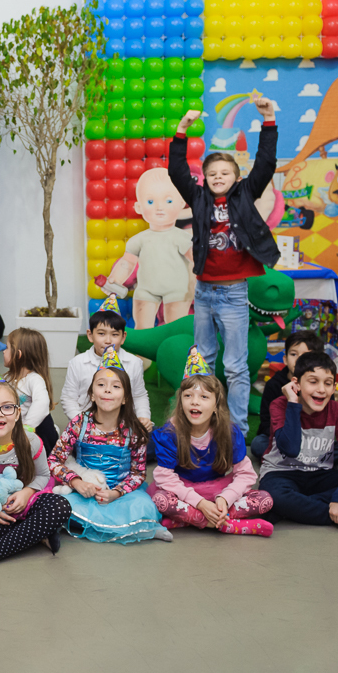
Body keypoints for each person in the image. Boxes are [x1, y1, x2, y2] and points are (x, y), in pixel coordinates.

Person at [169, 97, 280, 433]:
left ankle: (238, 431)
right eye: (212, 173)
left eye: (225, 173)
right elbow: (176, 171)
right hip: (204, 292)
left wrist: (269, 120)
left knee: (234, 366)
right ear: (204, 178)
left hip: (233, 293)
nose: (218, 177)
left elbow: (265, 163)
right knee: (202, 363)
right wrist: (182, 130)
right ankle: (201, 424)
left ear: (236, 176)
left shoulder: (246, 193)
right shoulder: (199, 198)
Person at [0, 354, 71, 573]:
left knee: (59, 506)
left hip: (24, 506)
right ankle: (33, 535)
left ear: (18, 413)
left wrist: (27, 492)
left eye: (7, 407)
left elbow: (43, 476)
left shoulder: (31, 441)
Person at [258, 352, 338, 531]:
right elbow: (290, 448)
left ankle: (291, 509)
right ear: (296, 384)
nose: (321, 389)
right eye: (313, 382)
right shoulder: (280, 405)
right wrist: (293, 403)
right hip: (282, 473)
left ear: (334, 387)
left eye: (327, 383)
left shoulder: (336, 410)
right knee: (276, 495)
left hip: (320, 474)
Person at [49, 346, 167, 544]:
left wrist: (115, 493)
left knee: (143, 507)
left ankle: (135, 525)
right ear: (92, 394)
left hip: (120, 495)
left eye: (116, 386)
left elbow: (138, 473)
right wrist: (77, 482)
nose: (107, 390)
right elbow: (54, 460)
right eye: (101, 385)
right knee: (56, 504)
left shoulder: (134, 430)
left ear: (125, 398)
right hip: (82, 492)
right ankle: (123, 527)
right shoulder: (79, 423)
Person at [150, 351, 274, 537]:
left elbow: (245, 474)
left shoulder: (230, 432)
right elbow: (165, 478)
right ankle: (226, 525)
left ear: (216, 405)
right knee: (161, 500)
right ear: (181, 401)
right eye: (188, 395)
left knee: (265, 500)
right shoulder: (169, 433)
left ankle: (189, 520)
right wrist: (200, 503)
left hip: (218, 489)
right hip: (184, 490)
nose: (195, 402)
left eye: (204, 397)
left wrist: (225, 498)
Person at [105, 167, 195, 328]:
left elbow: (196, 261)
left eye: (168, 201)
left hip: (177, 290)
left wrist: (196, 285)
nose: (159, 207)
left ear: (181, 203)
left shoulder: (182, 237)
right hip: (146, 289)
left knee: (175, 326)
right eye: (150, 202)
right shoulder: (138, 240)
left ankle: (173, 349)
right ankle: (141, 352)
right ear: (139, 207)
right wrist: (116, 278)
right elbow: (127, 263)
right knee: (142, 323)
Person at [60, 295, 152, 430]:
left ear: (123, 337)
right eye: (101, 334)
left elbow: (139, 395)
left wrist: (143, 416)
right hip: (85, 428)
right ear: (90, 335)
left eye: (115, 335)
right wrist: (80, 423)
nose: (108, 340)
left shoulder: (134, 363)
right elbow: (68, 398)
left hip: (124, 428)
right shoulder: (78, 363)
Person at [251, 330, 324, 461]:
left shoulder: (322, 385)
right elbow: (267, 421)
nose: (299, 360)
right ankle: (298, 459)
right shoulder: (274, 385)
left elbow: (327, 418)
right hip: (280, 437)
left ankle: (295, 459)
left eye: (306, 355)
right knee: (258, 444)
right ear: (285, 359)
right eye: (294, 354)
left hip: (313, 439)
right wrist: (284, 437)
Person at [3, 327, 58, 457]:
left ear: (18, 354)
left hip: (37, 431)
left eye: (7, 348)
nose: (3, 352)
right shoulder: (8, 378)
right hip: (16, 430)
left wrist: (26, 427)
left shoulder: (34, 379)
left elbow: (42, 403)